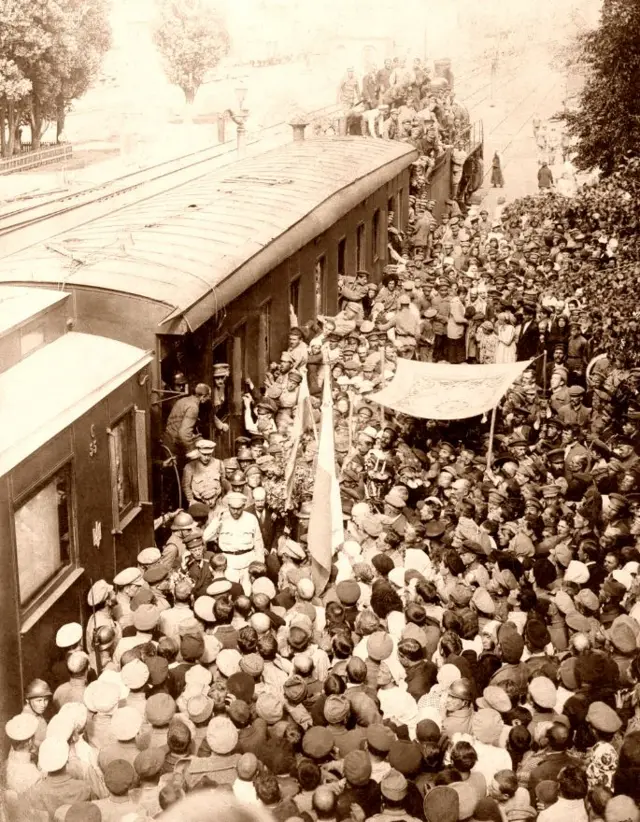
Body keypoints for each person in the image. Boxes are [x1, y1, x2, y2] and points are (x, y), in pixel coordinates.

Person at [163, 383, 211, 459]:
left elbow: (176, 424)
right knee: (204, 451)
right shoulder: (193, 407)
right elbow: (183, 433)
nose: (208, 399)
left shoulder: (182, 400)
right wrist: (191, 449)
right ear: (203, 396)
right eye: (208, 396)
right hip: (174, 445)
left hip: (167, 439)